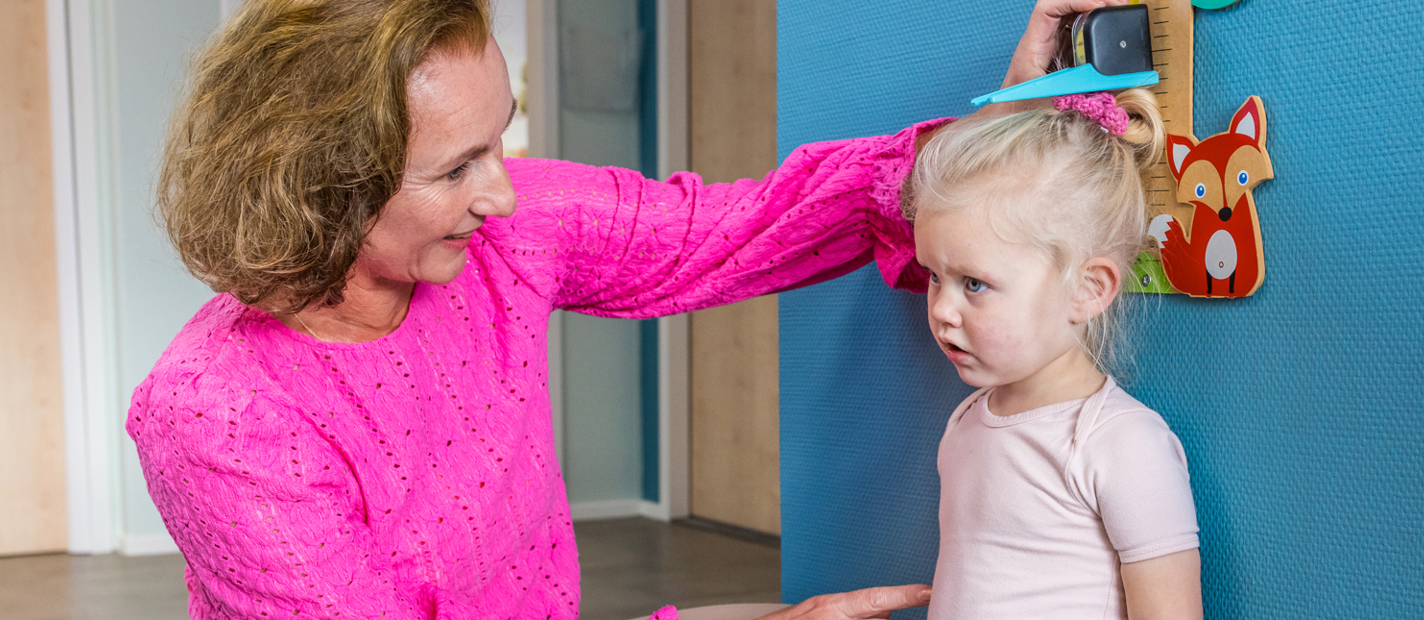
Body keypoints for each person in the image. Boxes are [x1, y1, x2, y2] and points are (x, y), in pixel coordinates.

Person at [131, 0, 1130, 618]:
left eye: (500, 140)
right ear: (325, 184)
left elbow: (751, 226)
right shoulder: (220, 417)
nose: (503, 192)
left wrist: (1000, 143)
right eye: (455, 167)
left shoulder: (500, 235)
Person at [904, 89, 1203, 620]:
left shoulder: (1122, 444)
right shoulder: (966, 422)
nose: (942, 309)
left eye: (974, 283)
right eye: (933, 276)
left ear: (1086, 290)